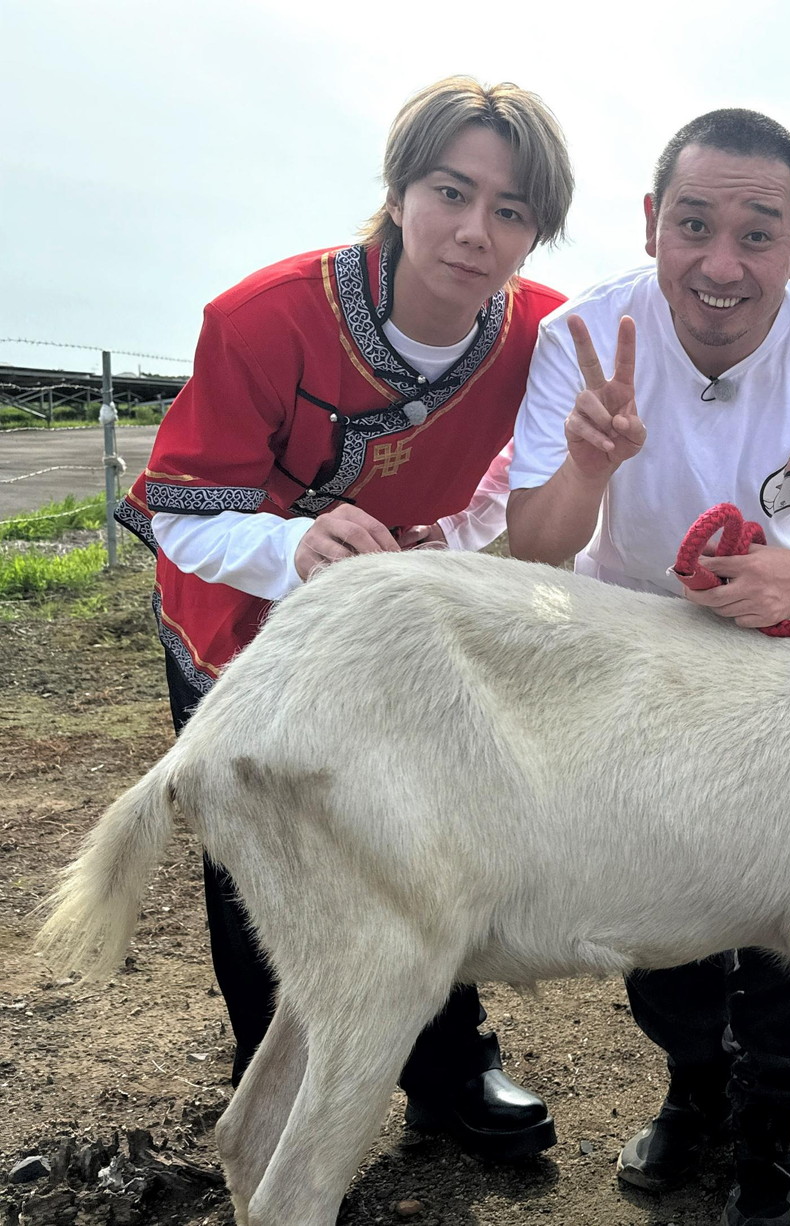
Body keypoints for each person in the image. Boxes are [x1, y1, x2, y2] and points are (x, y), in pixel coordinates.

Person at [117, 75, 574, 1162]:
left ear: (535, 230)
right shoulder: (261, 317)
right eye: (449, 191)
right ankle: (268, 1087)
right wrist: (294, 545)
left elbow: (508, 483)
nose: (474, 232)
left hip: (385, 616)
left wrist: (436, 551)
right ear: (399, 187)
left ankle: (447, 1069)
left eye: (510, 211)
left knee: (427, 826)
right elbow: (182, 508)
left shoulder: (541, 335)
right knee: (263, 844)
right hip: (236, 614)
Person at [507, 108, 790, 1226]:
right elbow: (536, 544)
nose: (720, 266)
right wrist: (587, 462)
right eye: (693, 226)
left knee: (780, 906)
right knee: (654, 905)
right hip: (631, 647)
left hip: (778, 654)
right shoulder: (582, 339)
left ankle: (769, 1134)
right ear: (648, 224)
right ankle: (696, 1087)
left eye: (756, 233)